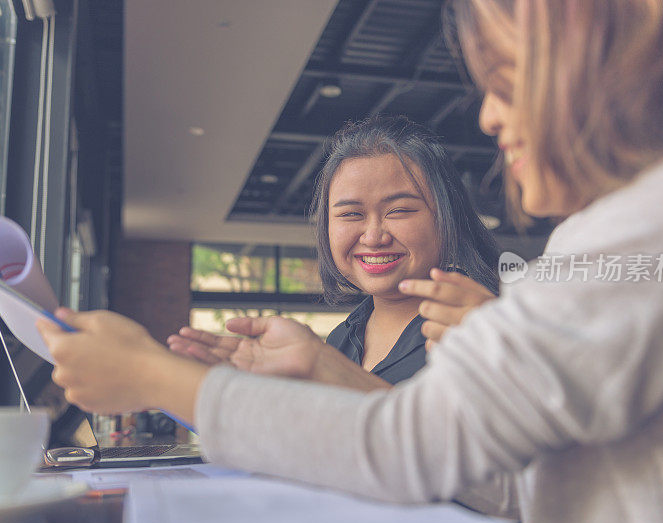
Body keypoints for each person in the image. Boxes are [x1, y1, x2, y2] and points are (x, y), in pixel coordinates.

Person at [38, 0, 663, 523]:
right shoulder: (633, 227)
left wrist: (156, 377)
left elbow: (411, 448)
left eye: (507, 83)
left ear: (594, 69)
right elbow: (511, 485)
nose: (487, 116)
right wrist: (322, 366)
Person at [167, 115, 500, 387]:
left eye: (398, 211)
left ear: (447, 217)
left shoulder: (483, 326)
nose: (373, 236)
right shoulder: (342, 337)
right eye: (351, 214)